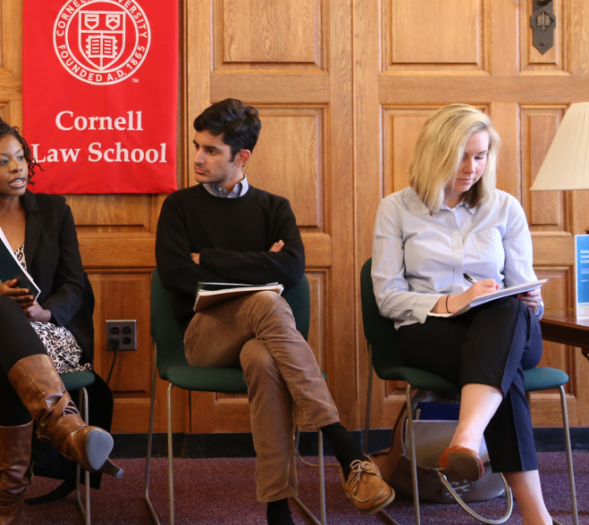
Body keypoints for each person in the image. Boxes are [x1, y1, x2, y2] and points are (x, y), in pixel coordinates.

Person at [156, 98, 393, 525]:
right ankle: (344, 447)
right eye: (197, 146)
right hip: (202, 335)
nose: (197, 158)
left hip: (260, 339)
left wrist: (209, 259)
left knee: (264, 361)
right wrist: (258, 262)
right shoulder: (179, 206)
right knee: (265, 299)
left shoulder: (273, 207)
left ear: (241, 157)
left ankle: (277, 509)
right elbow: (175, 275)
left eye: (211, 150)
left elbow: (293, 268)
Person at [372, 103, 550, 524]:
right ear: (435, 153)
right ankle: (536, 515)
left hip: (505, 326)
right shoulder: (396, 209)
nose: (472, 168)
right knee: (506, 375)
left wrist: (532, 303)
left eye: (480, 155)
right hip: (430, 329)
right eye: (461, 156)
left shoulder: (505, 208)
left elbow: (522, 283)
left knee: (506, 310)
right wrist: (453, 302)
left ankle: (466, 435)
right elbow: (387, 295)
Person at [0, 115, 121, 525]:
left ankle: (5, 507)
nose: (18, 168)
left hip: (46, 333)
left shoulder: (54, 211)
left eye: (20, 158)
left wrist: (45, 311)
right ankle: (67, 429)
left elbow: (75, 284)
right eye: (3, 162)